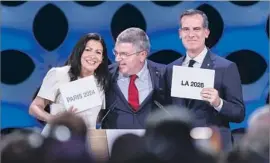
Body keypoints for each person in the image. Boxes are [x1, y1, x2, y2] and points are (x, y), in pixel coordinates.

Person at [166, 9, 245, 151]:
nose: (191, 34)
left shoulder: (225, 67)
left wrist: (218, 102)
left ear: (206, 32)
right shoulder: (171, 68)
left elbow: (239, 113)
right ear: (180, 33)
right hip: (181, 148)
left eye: (196, 29)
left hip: (214, 147)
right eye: (186, 29)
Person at [29, 33, 109, 130]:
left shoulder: (100, 82)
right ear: (79, 52)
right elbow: (34, 107)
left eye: (98, 52)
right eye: (88, 50)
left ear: (102, 59)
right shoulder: (59, 74)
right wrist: (54, 119)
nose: (92, 55)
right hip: (58, 137)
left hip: (87, 141)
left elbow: (96, 117)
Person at [102, 27, 168, 129]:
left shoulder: (164, 74)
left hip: (154, 141)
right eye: (116, 53)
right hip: (116, 142)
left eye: (124, 54)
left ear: (142, 55)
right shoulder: (105, 75)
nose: (117, 59)